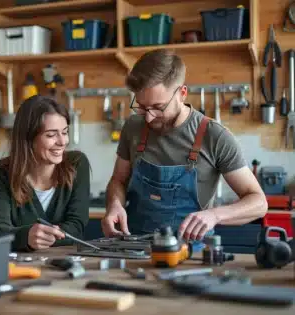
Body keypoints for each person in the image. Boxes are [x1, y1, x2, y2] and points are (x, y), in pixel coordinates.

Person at [102, 49, 267, 247]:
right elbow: (118, 181)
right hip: (135, 248)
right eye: (142, 106)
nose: (148, 117)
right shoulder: (133, 128)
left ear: (182, 93)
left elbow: (258, 202)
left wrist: (215, 215)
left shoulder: (215, 136)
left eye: (158, 107)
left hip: (190, 255)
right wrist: (114, 204)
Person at [0, 95, 91, 252]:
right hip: (20, 268)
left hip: (66, 263)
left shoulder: (77, 164)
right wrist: (26, 237)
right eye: (51, 135)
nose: (62, 142)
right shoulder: (0, 174)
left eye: (65, 132)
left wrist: (27, 237)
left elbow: (76, 226)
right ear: (28, 138)